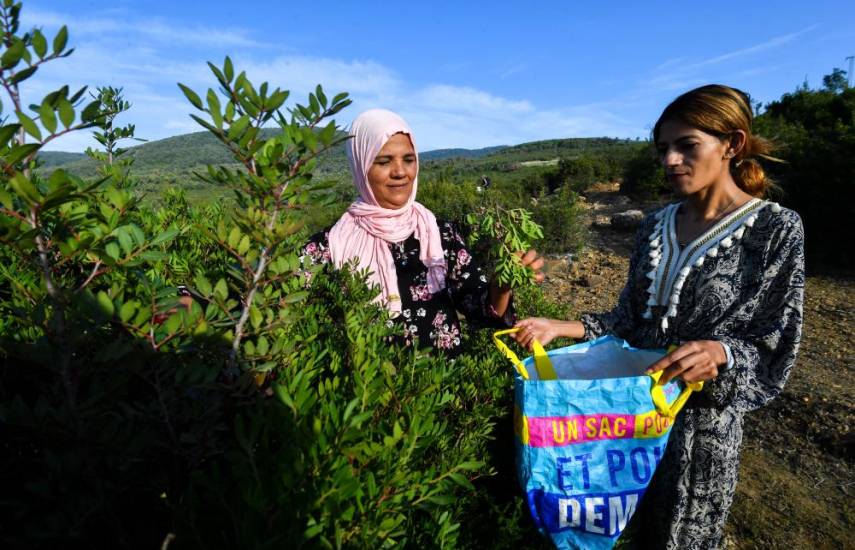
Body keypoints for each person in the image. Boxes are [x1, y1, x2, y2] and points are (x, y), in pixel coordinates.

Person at [514, 84, 804, 548]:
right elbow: (629, 319)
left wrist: (722, 353)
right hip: (624, 423)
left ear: (732, 144)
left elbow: (776, 341)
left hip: (698, 436)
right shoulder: (655, 224)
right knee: (609, 528)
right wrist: (558, 327)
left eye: (686, 146)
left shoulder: (775, 229)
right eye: (663, 149)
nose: (671, 160)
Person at [301, 108, 543, 357]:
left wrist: (501, 287)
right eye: (383, 161)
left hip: (443, 391)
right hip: (362, 392)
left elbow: (480, 310)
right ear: (361, 166)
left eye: (408, 159)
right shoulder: (327, 248)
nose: (400, 172)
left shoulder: (439, 235)